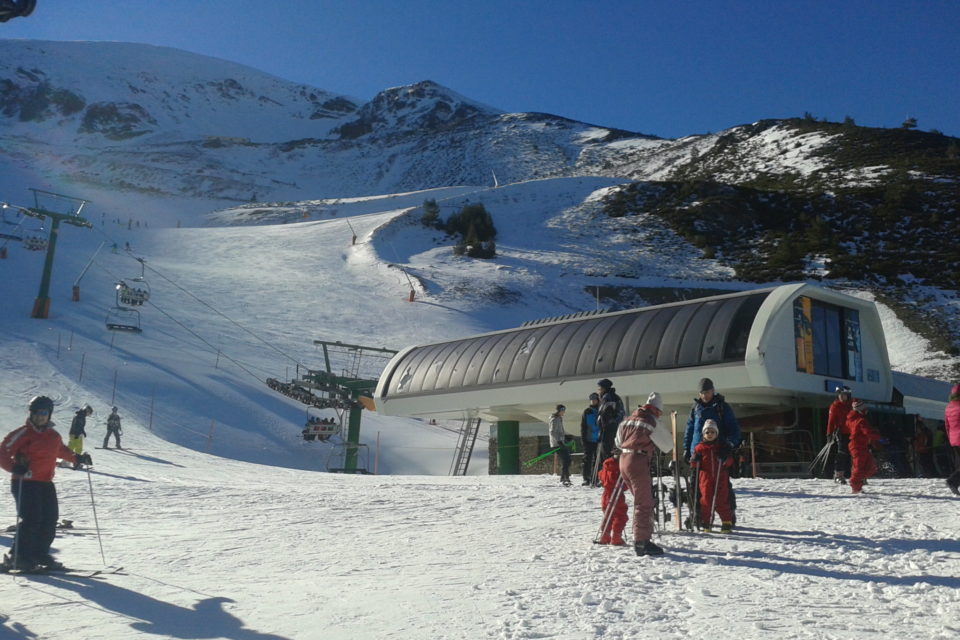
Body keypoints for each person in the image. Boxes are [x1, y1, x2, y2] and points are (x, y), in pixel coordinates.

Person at [0, 396, 92, 571]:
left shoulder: (53, 436)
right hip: (25, 482)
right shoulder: (23, 433)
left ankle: (39, 554)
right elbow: (2, 452)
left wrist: (77, 458)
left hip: (45, 482)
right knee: (32, 519)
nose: (40, 416)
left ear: (49, 415)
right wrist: (14, 467)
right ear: (31, 414)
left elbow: (61, 451)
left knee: (50, 519)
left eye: (44, 413)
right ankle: (19, 557)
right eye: (37, 413)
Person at [615, 392, 665, 556]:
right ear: (657, 410)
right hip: (638, 460)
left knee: (639, 500)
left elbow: (617, 441)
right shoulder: (652, 421)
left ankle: (641, 537)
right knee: (643, 503)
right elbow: (667, 445)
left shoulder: (627, 420)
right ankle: (641, 542)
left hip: (623, 460)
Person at [683, 378, 741, 518]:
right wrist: (687, 448)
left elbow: (734, 430)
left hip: (718, 454)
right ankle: (698, 514)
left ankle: (728, 514)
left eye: (708, 392)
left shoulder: (722, 407)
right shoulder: (696, 408)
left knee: (722, 487)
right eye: (702, 392)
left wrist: (729, 445)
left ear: (713, 391)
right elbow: (690, 429)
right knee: (695, 486)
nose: (705, 395)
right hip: (697, 453)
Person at [691, 420, 735, 532]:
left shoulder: (721, 447)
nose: (710, 434)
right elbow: (694, 464)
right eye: (707, 432)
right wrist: (694, 460)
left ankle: (726, 521)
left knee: (722, 500)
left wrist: (725, 458)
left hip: (721, 477)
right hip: (705, 478)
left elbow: (729, 462)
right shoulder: (699, 448)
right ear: (703, 434)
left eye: (712, 432)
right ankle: (706, 521)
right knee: (706, 500)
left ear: (717, 434)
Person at [846, 399, 883, 493]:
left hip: (861, 445)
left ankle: (859, 482)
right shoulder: (861, 420)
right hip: (857, 446)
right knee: (859, 467)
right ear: (860, 410)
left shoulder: (852, 419)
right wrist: (878, 438)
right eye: (865, 408)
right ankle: (855, 487)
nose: (866, 410)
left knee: (870, 466)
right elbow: (867, 432)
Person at [597, 455, 627, 545]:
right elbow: (622, 483)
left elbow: (600, 476)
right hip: (616, 493)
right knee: (620, 515)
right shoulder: (619, 467)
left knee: (607, 515)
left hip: (605, 494)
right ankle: (616, 537)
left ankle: (604, 536)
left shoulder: (606, 465)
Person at [826, 386, 854, 483]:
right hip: (842, 433)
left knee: (856, 454)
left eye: (844, 395)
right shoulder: (835, 406)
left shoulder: (854, 405)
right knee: (842, 453)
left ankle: (858, 475)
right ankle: (838, 475)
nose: (841, 397)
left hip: (854, 432)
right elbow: (831, 421)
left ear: (848, 395)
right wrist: (829, 433)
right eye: (840, 395)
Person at [596, 378, 625, 465]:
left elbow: (603, 415)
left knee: (605, 455)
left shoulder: (607, 398)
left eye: (599, 388)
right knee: (614, 454)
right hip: (616, 430)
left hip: (608, 431)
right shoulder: (616, 397)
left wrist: (602, 426)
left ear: (604, 388)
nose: (598, 391)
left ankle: (605, 476)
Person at [580, 393, 601, 486]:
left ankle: (595, 478)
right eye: (591, 400)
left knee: (598, 460)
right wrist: (583, 439)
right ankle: (586, 478)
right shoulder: (587, 411)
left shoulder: (601, 410)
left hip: (599, 439)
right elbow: (583, 426)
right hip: (589, 439)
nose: (592, 401)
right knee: (587, 459)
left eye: (594, 399)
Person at [548, 404, 571, 486]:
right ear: (560, 410)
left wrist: (565, 438)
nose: (564, 412)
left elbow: (559, 431)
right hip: (557, 444)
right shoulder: (554, 419)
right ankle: (564, 477)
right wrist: (559, 441)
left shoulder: (559, 418)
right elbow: (553, 431)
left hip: (560, 442)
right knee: (566, 459)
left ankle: (565, 476)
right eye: (563, 410)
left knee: (567, 459)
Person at [945, 383, 960, 495]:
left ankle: (954, 482)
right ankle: (952, 481)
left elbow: (947, 425)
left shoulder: (949, 406)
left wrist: (951, 438)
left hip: (954, 439)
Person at [68, 404, 93, 470]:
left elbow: (80, 426)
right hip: (74, 434)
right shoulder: (79, 416)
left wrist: (83, 432)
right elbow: (75, 425)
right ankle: (67, 461)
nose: (88, 414)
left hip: (78, 434)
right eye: (89, 413)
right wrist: (76, 434)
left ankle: (76, 462)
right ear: (86, 411)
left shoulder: (82, 416)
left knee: (78, 448)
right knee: (72, 447)